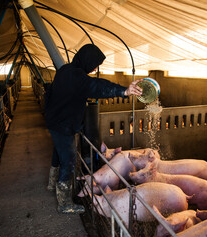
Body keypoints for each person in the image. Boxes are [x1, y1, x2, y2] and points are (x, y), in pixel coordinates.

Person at [44, 44, 142, 214]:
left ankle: (52, 183)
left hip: (55, 121)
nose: (95, 68)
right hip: (63, 124)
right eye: (95, 64)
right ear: (87, 60)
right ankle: (64, 202)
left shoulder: (65, 70)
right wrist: (124, 91)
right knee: (68, 159)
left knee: (58, 152)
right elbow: (97, 87)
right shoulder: (77, 77)